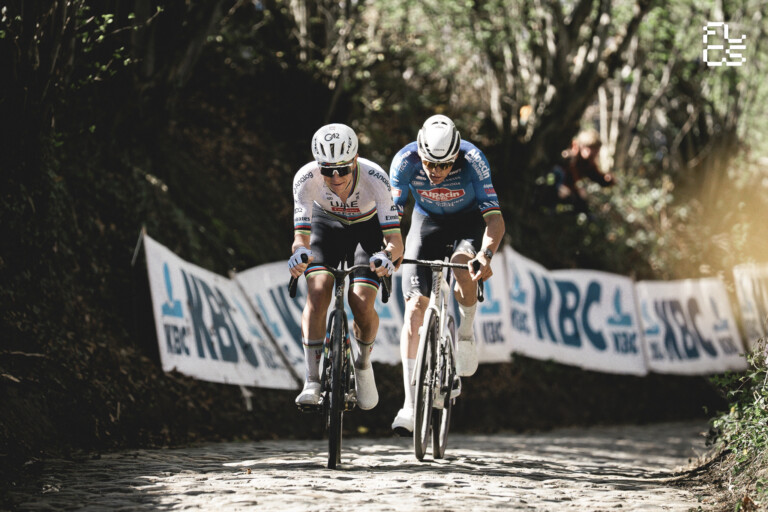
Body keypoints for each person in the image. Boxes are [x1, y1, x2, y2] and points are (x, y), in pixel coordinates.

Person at [388, 115, 505, 435]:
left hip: (468, 224)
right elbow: (391, 219)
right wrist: (389, 250)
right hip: (426, 225)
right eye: (429, 164)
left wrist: (486, 255)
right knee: (414, 309)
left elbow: (494, 219)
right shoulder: (405, 160)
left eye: (444, 166)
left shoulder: (473, 160)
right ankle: (410, 405)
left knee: (463, 265)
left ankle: (465, 331)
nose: (435, 172)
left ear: (456, 156)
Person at [289, 123, 404, 411]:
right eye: (327, 170)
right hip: (325, 225)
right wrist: (299, 254)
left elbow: (394, 240)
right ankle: (312, 380)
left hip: (366, 230)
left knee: (362, 302)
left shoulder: (376, 178)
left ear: (355, 160)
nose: (336, 176)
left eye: (342, 168)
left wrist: (387, 256)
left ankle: (363, 365)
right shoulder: (305, 179)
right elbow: (300, 239)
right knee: (317, 292)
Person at [549, 128, 614, 214]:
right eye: (593, 150)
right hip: (555, 184)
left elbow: (595, 175)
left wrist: (607, 180)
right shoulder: (570, 150)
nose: (595, 155)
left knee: (582, 205)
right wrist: (577, 188)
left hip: (568, 191)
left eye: (596, 152)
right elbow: (567, 169)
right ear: (584, 147)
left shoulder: (587, 162)